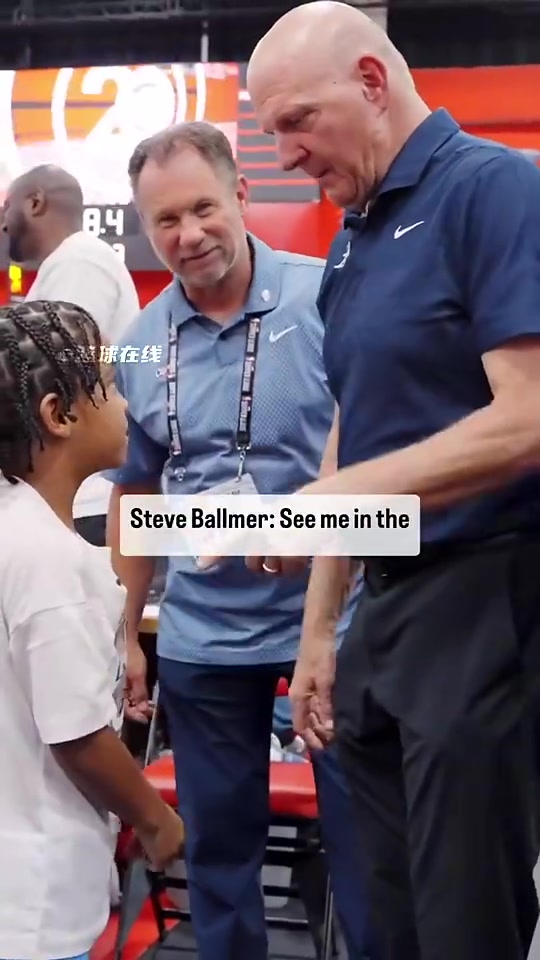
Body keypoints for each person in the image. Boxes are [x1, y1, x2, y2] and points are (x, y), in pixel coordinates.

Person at [244, 3, 540, 959]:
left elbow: (529, 416)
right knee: (380, 921)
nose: (285, 153)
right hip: (382, 614)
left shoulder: (495, 190)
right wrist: (319, 631)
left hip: (484, 600)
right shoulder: (352, 236)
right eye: (271, 130)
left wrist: (330, 503)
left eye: (297, 121)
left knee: (464, 925)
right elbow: (351, 430)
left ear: (371, 82)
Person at [105, 120, 378, 960]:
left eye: (202, 209)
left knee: (370, 855)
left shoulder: (327, 295)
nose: (188, 235)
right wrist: (126, 630)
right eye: (165, 220)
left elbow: (376, 451)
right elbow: (135, 491)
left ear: (242, 195)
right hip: (204, 637)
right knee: (220, 863)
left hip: (331, 627)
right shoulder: (141, 344)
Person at [0, 300, 184, 960]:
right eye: (108, 385)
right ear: (60, 415)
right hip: (35, 906)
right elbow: (77, 737)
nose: (127, 404)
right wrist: (155, 819)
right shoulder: (49, 558)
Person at [1, 164, 140, 546]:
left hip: (83, 499)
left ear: (35, 202)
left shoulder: (79, 262)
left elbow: (50, 379)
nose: (3, 224)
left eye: (6, 208)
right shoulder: (69, 263)